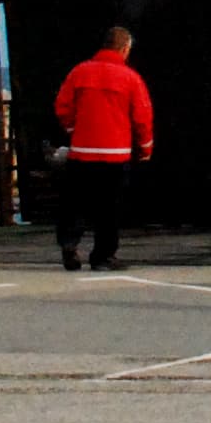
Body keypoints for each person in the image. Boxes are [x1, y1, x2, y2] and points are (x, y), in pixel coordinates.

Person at [48, 25, 152, 273]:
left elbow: (62, 105)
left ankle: (70, 246)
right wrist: (145, 148)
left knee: (75, 203)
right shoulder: (131, 79)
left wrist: (74, 129)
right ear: (125, 49)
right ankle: (103, 257)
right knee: (109, 209)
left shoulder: (80, 72)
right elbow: (142, 117)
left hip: (82, 152)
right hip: (115, 155)